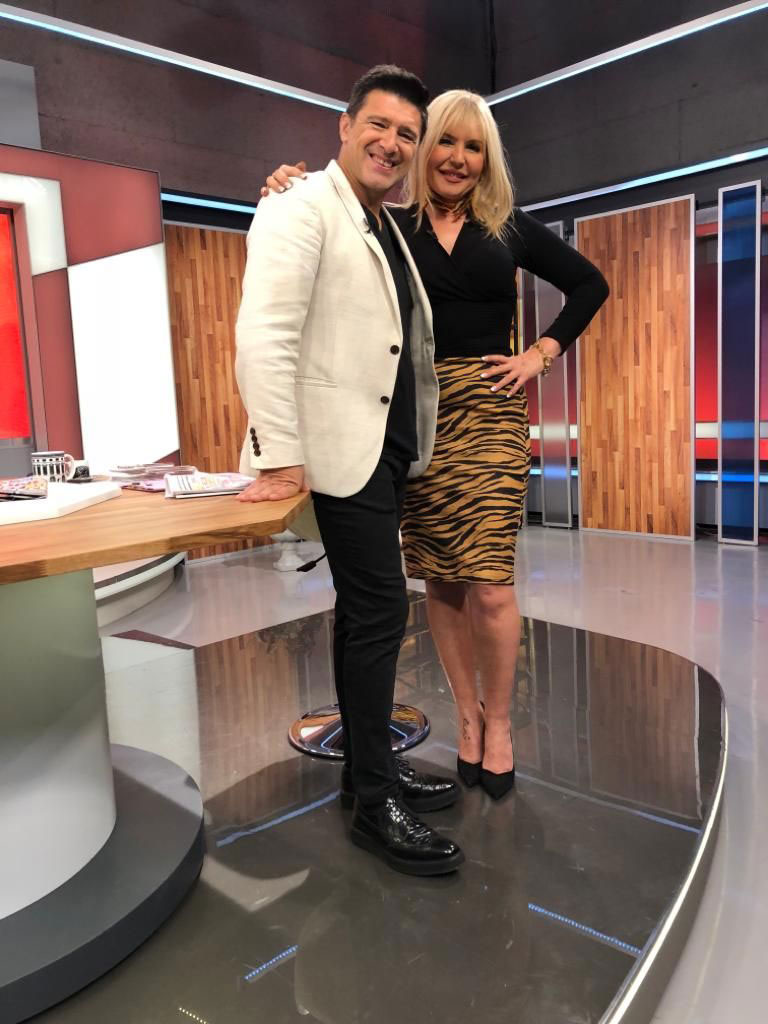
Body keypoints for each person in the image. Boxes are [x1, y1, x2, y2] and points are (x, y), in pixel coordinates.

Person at [263, 90, 609, 800]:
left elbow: (588, 284)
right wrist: (285, 186)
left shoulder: (506, 226)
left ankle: (501, 724)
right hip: (417, 418)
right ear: (423, 152)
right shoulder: (391, 229)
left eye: (472, 147)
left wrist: (539, 354)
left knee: (491, 583)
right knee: (442, 582)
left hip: (491, 415)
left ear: (487, 159)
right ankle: (468, 718)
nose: (456, 158)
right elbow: (326, 225)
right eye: (444, 142)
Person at [235, 65, 464, 877]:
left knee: (363, 613)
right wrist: (280, 454)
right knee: (378, 611)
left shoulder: (385, 223)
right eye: (380, 125)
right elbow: (265, 333)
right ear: (344, 124)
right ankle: (374, 803)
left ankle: (370, 771)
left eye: (407, 133)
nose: (392, 143)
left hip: (385, 451)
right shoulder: (299, 205)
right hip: (338, 454)